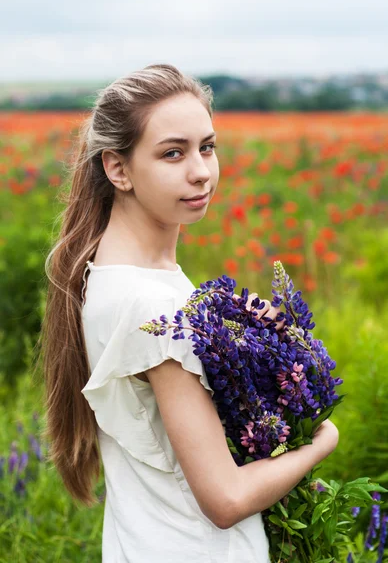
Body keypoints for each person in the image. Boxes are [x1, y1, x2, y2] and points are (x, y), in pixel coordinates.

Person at [39, 63, 339, 562]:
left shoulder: (112, 275)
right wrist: (318, 444)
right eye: (172, 153)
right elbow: (226, 498)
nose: (200, 170)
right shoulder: (154, 308)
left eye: (207, 146)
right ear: (118, 169)